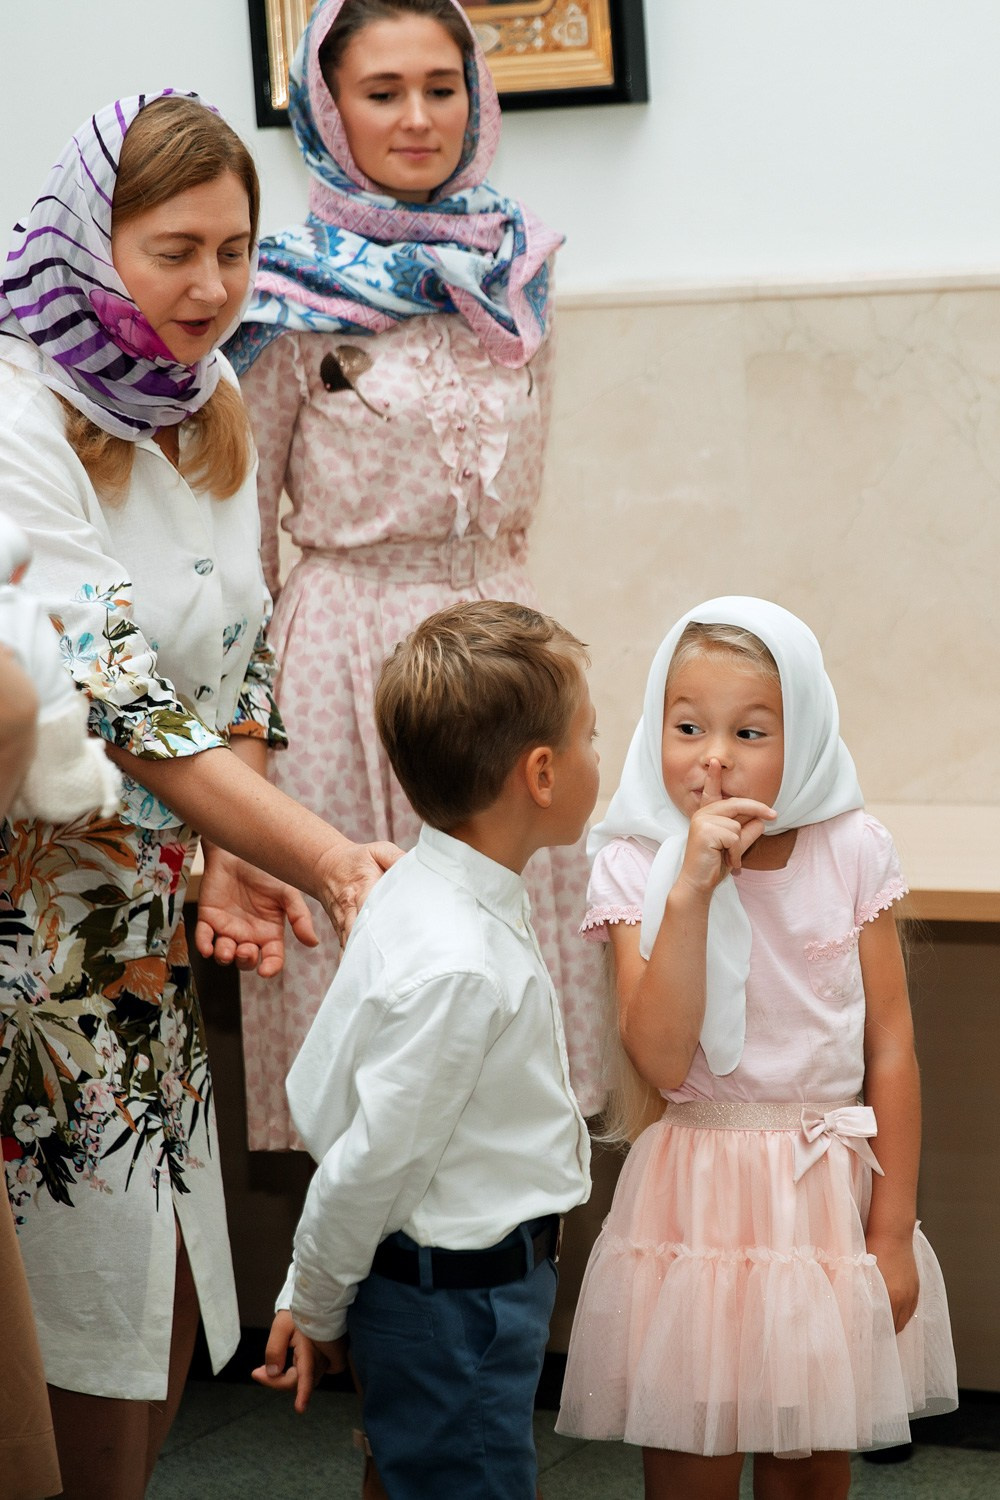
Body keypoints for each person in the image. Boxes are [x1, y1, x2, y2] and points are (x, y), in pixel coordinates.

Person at [0, 92, 397, 1498]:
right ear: (86, 240)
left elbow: (245, 647)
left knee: (163, 1308)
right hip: (36, 948)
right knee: (78, 1331)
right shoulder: (16, 403)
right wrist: (325, 857)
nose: (214, 287)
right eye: (174, 249)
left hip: (148, 938)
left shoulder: (208, 398)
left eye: (235, 250)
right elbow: (103, 677)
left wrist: (237, 859)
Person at [225, 0, 606, 1148]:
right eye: (381, 91)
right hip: (342, 668)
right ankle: (353, 1301)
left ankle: (500, 1294)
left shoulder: (517, 271)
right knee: (377, 1006)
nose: (417, 116)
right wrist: (237, 774)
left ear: (478, 99)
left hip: (504, 656)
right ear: (327, 111)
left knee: (513, 991)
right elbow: (243, 544)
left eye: (441, 86)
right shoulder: (281, 294)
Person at [555, 597, 958, 1500]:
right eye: (688, 726)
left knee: (810, 1468)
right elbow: (659, 1060)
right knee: (691, 1458)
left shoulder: (851, 849)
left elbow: (891, 1048)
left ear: (805, 734)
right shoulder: (633, 861)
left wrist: (890, 1234)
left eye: (751, 730)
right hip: (693, 1196)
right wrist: (691, 886)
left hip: (822, 1194)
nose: (715, 756)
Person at [253, 600, 596, 1500]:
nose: (604, 756)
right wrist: (312, 1297)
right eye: (593, 738)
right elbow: (374, 1158)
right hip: (459, 1306)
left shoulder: (420, 883)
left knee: (408, 1469)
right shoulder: (461, 964)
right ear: (544, 773)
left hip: (442, 1291)